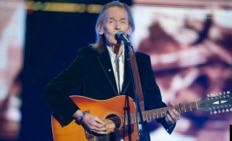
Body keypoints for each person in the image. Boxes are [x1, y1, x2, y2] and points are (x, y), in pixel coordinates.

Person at [43, 1, 180, 141]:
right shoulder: (89, 58)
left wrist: (167, 118)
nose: (117, 26)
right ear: (101, 28)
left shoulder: (141, 62)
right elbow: (53, 90)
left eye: (122, 21)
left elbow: (153, 102)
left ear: (129, 29)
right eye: (111, 21)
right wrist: (81, 116)